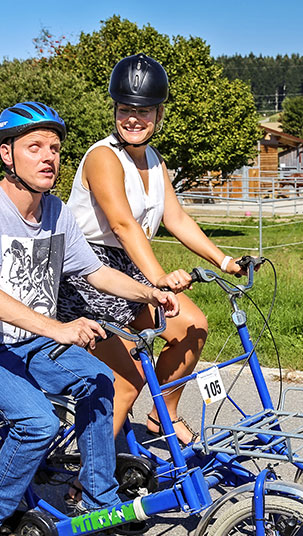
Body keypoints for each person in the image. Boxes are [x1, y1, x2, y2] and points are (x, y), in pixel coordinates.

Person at [0, 101, 178, 536]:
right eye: (34, 147)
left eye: (56, 148)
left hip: (23, 339)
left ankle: (100, 500)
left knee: (98, 383)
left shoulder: (56, 212)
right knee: (38, 424)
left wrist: (151, 292)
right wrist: (61, 328)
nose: (49, 157)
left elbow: (96, 272)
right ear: (7, 155)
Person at [57, 54, 244, 450]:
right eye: (126, 109)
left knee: (192, 327)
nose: (133, 119)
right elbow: (123, 225)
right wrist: (158, 279)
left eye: (143, 111)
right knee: (126, 379)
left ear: (159, 114)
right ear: (115, 109)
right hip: (89, 271)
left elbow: (176, 218)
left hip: (129, 264)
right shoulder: (102, 157)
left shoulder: (155, 162)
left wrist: (224, 261)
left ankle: (163, 415)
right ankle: (89, 477)